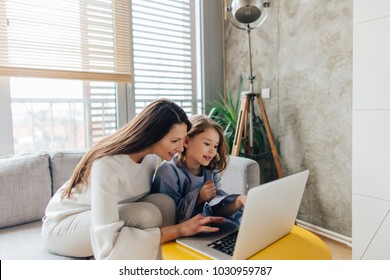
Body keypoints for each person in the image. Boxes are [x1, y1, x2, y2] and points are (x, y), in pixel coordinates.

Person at [41, 99, 224, 260]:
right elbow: (109, 242)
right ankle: (124, 255)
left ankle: (162, 257)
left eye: (182, 140)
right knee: (145, 213)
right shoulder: (108, 164)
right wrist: (180, 229)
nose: (179, 148)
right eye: (174, 141)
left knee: (164, 202)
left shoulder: (152, 157)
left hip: (101, 218)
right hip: (62, 226)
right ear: (154, 134)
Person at [152, 114, 246, 225]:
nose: (212, 151)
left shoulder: (211, 169)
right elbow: (171, 217)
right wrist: (199, 197)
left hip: (203, 229)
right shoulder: (168, 171)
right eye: (207, 144)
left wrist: (238, 201)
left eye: (215, 146)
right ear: (186, 141)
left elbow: (216, 210)